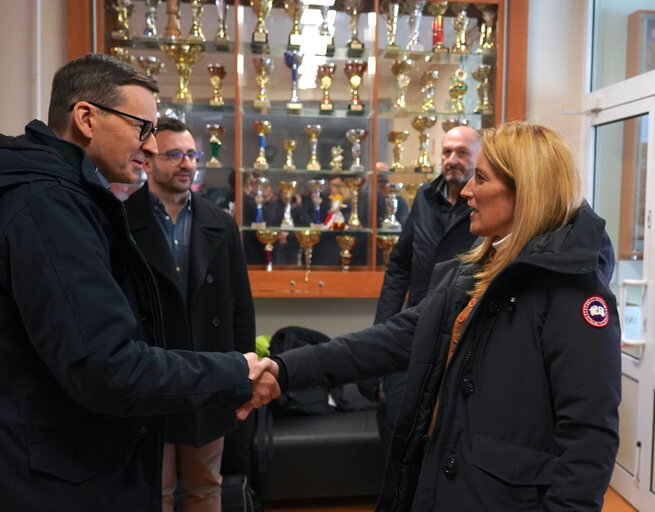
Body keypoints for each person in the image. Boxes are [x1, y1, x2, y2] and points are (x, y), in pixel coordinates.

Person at [0, 53, 278, 512]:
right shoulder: (45, 207)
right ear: (86, 117)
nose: (149, 147)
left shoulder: (57, 198)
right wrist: (235, 372)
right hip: (38, 480)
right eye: (140, 128)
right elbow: (106, 366)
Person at [246, 122, 622, 511]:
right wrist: (285, 369)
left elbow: (589, 439)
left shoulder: (576, 294)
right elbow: (395, 338)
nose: (467, 191)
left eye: (481, 177)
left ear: (524, 191)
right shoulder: (477, 270)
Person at [124, 117, 255, 512]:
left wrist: (244, 371)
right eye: (175, 155)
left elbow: (239, 306)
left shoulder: (220, 223)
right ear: (149, 160)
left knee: (205, 487)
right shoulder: (122, 220)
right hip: (153, 376)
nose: (187, 164)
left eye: (192, 155)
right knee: (155, 490)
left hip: (209, 373)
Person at [367, 125, 480, 448]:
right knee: (395, 415)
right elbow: (399, 266)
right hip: (416, 325)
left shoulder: (484, 204)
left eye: (461, 153)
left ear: (477, 158)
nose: (452, 160)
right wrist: (384, 327)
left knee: (449, 423)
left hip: (463, 330)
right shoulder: (425, 199)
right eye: (446, 152)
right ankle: (399, 496)